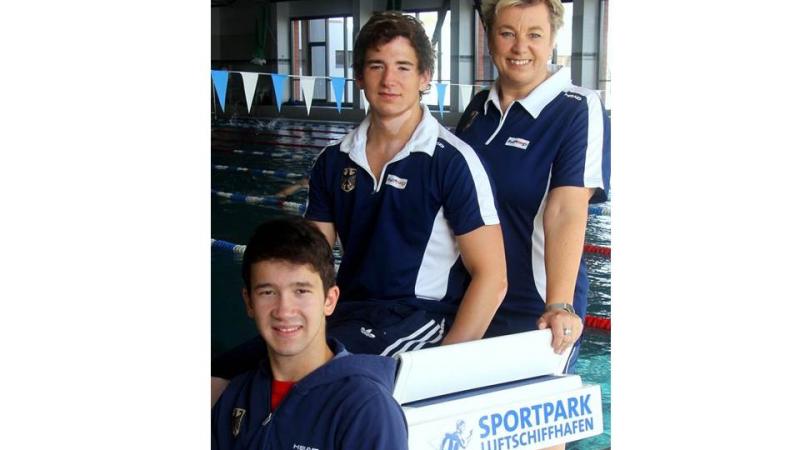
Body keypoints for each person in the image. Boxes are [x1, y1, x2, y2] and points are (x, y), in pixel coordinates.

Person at [212, 11, 506, 402]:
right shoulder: (334, 161)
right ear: (359, 76)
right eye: (377, 66)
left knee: (313, 384)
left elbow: (492, 276)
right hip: (345, 313)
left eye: (403, 67)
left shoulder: (451, 162)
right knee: (219, 375)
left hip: (417, 318)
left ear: (424, 78)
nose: (389, 80)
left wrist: (443, 368)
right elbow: (308, 259)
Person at [456, 0, 610, 364]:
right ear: (490, 38)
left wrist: (559, 303)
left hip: (535, 308)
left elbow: (566, 209)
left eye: (534, 35)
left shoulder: (576, 108)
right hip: (469, 300)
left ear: (553, 39)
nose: (519, 47)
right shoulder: (479, 109)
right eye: (507, 33)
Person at [212, 217, 408, 450]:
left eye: (301, 291)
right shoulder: (237, 396)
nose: (284, 310)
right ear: (249, 303)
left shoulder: (365, 409)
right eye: (267, 292)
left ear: (329, 300)